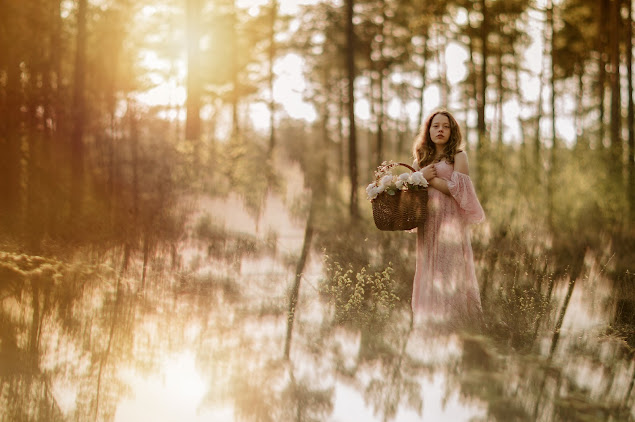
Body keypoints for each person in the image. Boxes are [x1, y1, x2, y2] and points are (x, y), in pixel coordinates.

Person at [411, 109, 485, 327]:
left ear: (452, 131)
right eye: (435, 126)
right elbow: (411, 193)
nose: (440, 130)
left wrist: (429, 180)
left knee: (451, 270)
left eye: (445, 126)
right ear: (428, 131)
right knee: (430, 270)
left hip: (451, 225)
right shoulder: (420, 160)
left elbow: (458, 190)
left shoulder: (458, 157)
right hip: (429, 225)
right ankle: (430, 325)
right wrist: (418, 177)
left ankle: (456, 324)